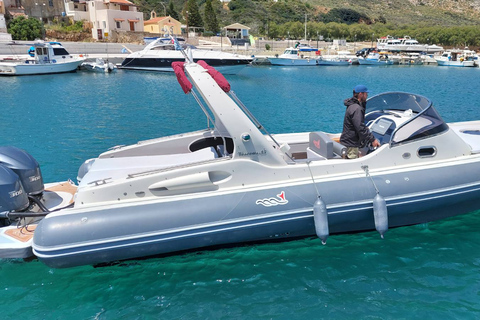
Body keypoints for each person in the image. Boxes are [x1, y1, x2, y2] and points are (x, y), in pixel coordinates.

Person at [340, 85, 381, 159]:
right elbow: (360, 127)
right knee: (352, 166)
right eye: (366, 94)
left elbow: (356, 124)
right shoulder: (357, 109)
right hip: (351, 144)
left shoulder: (351, 105)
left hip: (347, 141)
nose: (367, 95)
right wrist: (372, 139)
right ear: (360, 94)